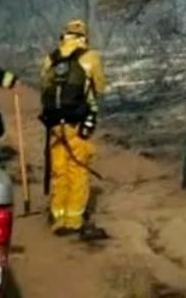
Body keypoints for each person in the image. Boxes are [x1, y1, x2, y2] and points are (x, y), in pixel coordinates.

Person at [39, 18, 106, 237]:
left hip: (54, 126)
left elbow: (43, 87)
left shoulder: (51, 58)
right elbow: (100, 87)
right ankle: (74, 219)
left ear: (64, 35)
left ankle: (58, 216)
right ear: (84, 37)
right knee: (78, 168)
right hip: (77, 124)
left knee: (59, 170)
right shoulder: (90, 57)